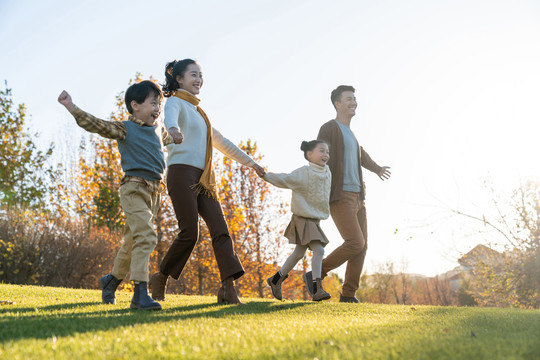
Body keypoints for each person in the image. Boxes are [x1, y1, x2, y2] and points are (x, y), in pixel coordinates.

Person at [149, 59, 265, 305]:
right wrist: (173, 130)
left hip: (203, 180)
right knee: (190, 233)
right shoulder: (176, 102)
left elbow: (222, 143)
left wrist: (251, 163)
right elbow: (169, 119)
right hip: (181, 174)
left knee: (221, 231)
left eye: (200, 75)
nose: (199, 79)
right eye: (193, 74)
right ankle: (160, 277)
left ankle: (227, 290)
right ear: (179, 79)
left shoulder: (201, 115)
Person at [58, 80, 180, 310]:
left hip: (155, 193)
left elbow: (169, 137)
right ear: (135, 105)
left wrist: (176, 134)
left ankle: (111, 281)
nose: (157, 108)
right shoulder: (125, 128)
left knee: (133, 242)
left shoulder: (158, 130)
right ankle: (140, 295)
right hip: (134, 189)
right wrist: (71, 107)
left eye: (159, 104)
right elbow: (97, 125)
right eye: (153, 103)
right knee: (147, 236)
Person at [303, 85, 391, 303]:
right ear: (338, 103)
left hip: (358, 197)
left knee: (362, 246)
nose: (354, 102)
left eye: (355, 99)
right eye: (349, 99)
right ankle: (316, 274)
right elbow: (319, 156)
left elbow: (361, 155)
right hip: (340, 195)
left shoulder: (351, 134)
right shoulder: (329, 128)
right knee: (354, 242)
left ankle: (348, 294)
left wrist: (377, 168)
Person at [264, 140, 332, 301]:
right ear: (309, 154)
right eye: (321, 151)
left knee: (298, 253)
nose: (325, 155)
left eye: (327, 152)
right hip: (302, 217)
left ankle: (275, 280)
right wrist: (265, 175)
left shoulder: (327, 172)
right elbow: (285, 179)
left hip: (315, 220)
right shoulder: (304, 173)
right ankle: (317, 289)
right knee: (319, 250)